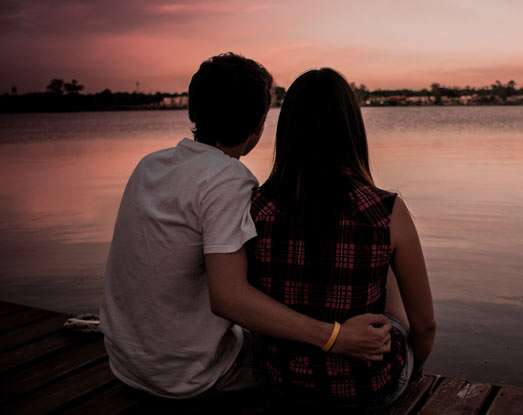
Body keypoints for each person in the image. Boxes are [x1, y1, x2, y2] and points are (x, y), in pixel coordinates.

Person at [99, 53, 391, 400]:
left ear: (193, 113)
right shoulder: (228, 180)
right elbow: (229, 299)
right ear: (257, 129)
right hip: (187, 375)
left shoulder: (150, 166)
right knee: (292, 358)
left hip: (126, 361)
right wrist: (334, 336)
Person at [248, 68, 436, 410]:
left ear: (287, 131)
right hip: (366, 389)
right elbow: (425, 327)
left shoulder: (255, 206)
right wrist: (414, 369)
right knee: (388, 265)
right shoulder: (385, 209)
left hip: (282, 383)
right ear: (351, 129)